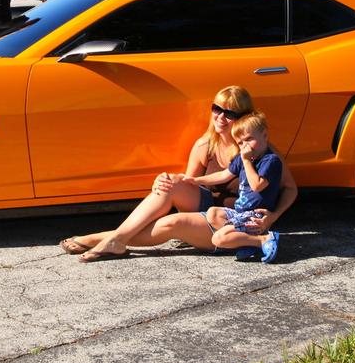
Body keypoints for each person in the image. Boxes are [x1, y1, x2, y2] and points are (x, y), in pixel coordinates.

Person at [63, 86, 297, 262]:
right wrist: (168, 180)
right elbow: (191, 184)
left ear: (243, 118)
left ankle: (102, 239)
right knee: (170, 183)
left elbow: (290, 188)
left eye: (229, 113)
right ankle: (114, 240)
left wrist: (273, 216)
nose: (220, 117)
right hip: (211, 209)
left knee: (171, 223)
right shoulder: (206, 144)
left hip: (236, 221)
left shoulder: (259, 151)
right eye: (216, 109)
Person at [204, 112, 285, 262]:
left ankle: (264, 239)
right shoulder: (244, 158)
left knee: (218, 239)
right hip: (241, 211)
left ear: (265, 136)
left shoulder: (270, 160)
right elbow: (224, 175)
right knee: (212, 213)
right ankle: (249, 242)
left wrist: (247, 162)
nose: (245, 146)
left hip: (256, 215)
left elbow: (257, 186)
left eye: (249, 139)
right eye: (240, 143)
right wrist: (193, 180)